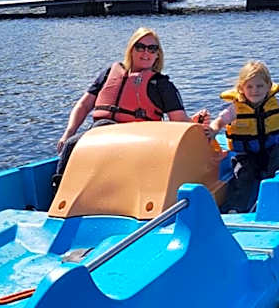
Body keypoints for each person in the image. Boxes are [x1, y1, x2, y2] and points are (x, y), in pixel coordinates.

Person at [54, 26, 209, 189]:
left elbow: (178, 121)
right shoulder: (109, 73)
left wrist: (197, 126)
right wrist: (67, 133)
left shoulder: (162, 85)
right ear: (131, 50)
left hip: (139, 141)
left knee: (75, 145)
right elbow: (84, 105)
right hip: (101, 132)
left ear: (158, 54)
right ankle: (59, 195)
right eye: (140, 47)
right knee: (71, 144)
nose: (146, 53)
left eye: (152, 48)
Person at [209, 59, 279, 212]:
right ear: (241, 88)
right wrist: (213, 130)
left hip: (271, 152)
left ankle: (271, 193)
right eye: (250, 86)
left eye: (260, 86)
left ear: (268, 86)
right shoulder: (235, 109)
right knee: (243, 175)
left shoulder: (276, 104)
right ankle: (235, 209)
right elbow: (219, 122)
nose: (255, 90)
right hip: (247, 155)